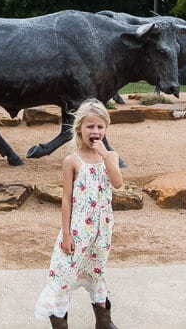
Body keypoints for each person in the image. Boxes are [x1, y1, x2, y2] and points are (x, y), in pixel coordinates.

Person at [34, 99, 124, 329]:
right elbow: (66, 198)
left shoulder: (110, 157)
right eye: (90, 126)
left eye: (100, 127)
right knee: (64, 275)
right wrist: (66, 233)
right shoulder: (71, 161)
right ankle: (60, 323)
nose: (95, 131)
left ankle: (104, 322)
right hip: (78, 229)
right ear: (80, 129)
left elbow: (118, 183)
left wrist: (105, 154)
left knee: (97, 272)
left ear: (106, 129)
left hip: (101, 230)